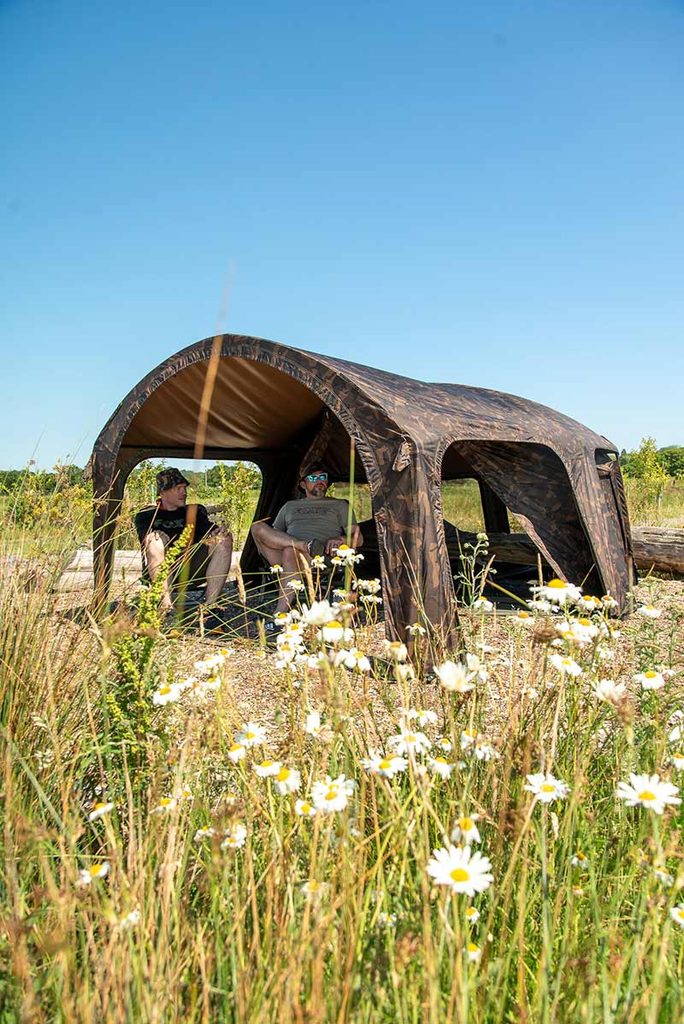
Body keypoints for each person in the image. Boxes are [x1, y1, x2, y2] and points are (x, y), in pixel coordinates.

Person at [250, 464, 363, 615]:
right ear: (303, 484)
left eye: (322, 477)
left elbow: (358, 538)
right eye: (313, 478)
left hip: (319, 555)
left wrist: (341, 538)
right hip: (282, 556)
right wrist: (297, 545)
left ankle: (280, 613)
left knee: (290, 551)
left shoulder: (340, 505)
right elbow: (274, 535)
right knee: (257, 527)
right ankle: (304, 545)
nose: (319, 481)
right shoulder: (289, 506)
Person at [134, 467, 233, 616]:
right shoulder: (147, 515)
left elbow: (210, 530)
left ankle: (211, 608)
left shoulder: (194, 511)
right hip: (162, 570)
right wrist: (156, 535)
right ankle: (166, 609)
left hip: (192, 569)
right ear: (163, 492)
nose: (184, 492)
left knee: (223, 540)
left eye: (185, 488)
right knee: (154, 541)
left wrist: (219, 532)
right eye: (178, 488)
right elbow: (145, 537)